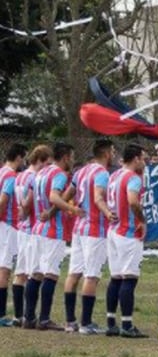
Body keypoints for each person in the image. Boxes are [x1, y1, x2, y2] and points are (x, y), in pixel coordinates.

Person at [64, 139, 117, 334]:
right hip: (95, 229)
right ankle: (86, 323)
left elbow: (67, 194)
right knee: (92, 275)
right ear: (106, 153)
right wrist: (107, 212)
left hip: (79, 228)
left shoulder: (81, 171)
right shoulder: (102, 173)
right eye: (112, 150)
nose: (114, 154)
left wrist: (72, 208)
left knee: (74, 273)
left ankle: (70, 321)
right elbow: (98, 197)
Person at [26, 142, 79, 331]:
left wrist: (47, 211)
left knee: (36, 274)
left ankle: (29, 317)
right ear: (65, 157)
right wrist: (73, 209)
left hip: (37, 229)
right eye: (71, 157)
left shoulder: (40, 172)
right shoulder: (59, 174)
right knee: (50, 274)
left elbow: (28, 200)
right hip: (52, 231)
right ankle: (45, 318)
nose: (72, 161)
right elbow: (55, 197)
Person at [104, 143, 149, 338]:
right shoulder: (133, 178)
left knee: (116, 277)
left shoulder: (114, 175)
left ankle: (111, 322)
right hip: (128, 232)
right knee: (129, 278)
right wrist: (142, 220)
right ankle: (127, 325)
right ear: (136, 159)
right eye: (144, 158)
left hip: (113, 231)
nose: (145, 162)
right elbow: (132, 200)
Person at [11, 145, 50, 327]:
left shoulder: (20, 176)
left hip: (21, 228)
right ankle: (28, 314)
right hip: (31, 228)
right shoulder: (34, 177)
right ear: (41, 160)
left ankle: (19, 315)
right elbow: (29, 204)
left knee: (20, 273)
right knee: (32, 273)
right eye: (47, 163)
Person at [0, 143, 27, 326]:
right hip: (7, 225)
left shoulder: (1, 171)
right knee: (4, 269)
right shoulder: (10, 175)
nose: (24, 161)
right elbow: (3, 200)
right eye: (24, 157)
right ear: (18, 157)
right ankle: (1, 314)